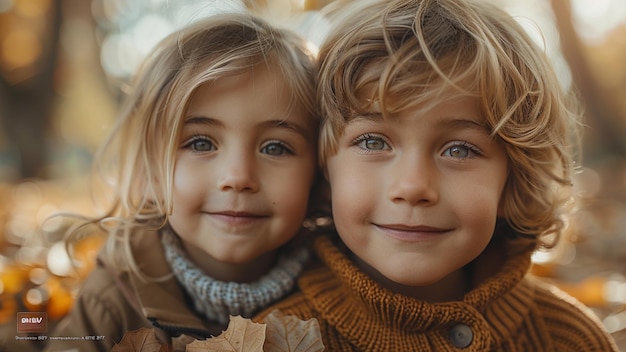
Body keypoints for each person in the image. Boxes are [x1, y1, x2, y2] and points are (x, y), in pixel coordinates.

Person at [254, 0, 619, 350]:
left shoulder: (569, 339)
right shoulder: (275, 340)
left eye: (459, 150)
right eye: (373, 142)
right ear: (324, 171)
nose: (413, 187)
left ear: (513, 182)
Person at [43, 11, 320, 352]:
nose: (238, 177)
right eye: (201, 143)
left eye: (275, 147)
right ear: (152, 173)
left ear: (317, 173)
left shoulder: (343, 298)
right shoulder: (113, 299)